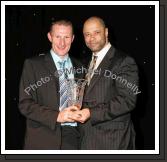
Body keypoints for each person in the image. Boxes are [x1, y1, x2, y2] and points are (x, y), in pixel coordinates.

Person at [72, 16, 139, 149]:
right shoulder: (84, 63)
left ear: (106, 32)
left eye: (96, 33)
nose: (91, 38)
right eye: (87, 34)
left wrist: (91, 113)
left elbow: (127, 100)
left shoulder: (123, 61)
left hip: (113, 140)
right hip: (86, 138)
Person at [19, 19, 83, 150]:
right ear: (50, 37)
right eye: (58, 36)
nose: (62, 42)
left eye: (66, 37)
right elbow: (25, 104)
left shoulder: (80, 67)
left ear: (73, 38)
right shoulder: (33, 65)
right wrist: (57, 116)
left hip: (73, 139)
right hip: (42, 138)